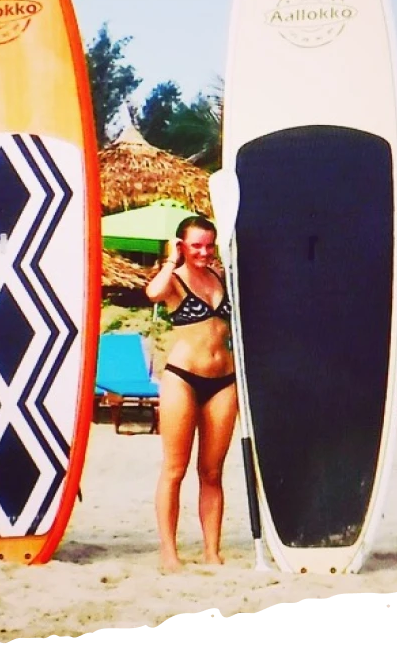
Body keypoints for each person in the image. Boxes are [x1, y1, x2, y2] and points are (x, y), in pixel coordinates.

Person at [144, 216, 239, 573]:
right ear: (181, 244)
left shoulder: (220, 277)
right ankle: (169, 552)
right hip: (182, 378)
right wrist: (172, 259)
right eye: (196, 245)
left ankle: (212, 551)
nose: (203, 252)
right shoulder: (173, 280)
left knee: (212, 472)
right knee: (174, 469)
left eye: (208, 245)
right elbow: (152, 294)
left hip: (223, 380)